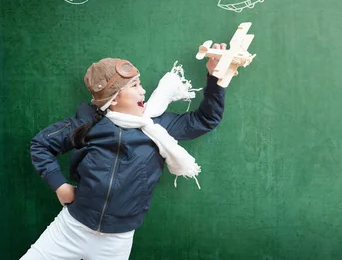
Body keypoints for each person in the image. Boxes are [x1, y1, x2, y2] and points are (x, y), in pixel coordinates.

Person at [21, 44, 231, 260]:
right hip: (71, 229)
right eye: (134, 85)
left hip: (116, 241)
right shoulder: (88, 123)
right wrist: (59, 185)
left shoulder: (157, 126)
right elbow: (41, 144)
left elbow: (205, 120)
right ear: (115, 97)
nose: (143, 90)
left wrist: (215, 79)